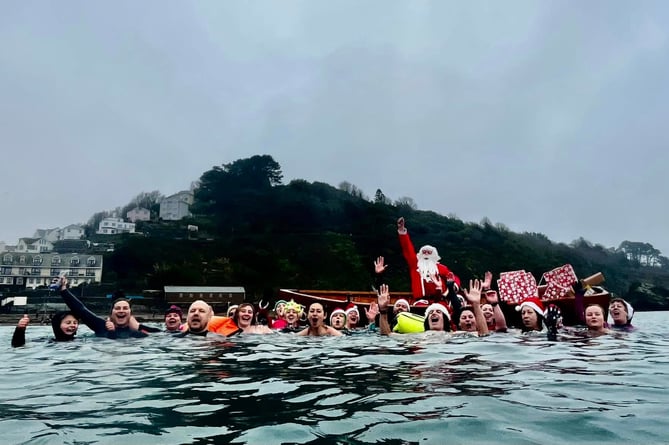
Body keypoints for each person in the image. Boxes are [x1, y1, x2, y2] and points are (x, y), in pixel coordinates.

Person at [58, 277, 150, 338]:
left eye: (125, 308)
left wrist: (139, 326)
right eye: (117, 308)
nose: (121, 311)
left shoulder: (139, 335)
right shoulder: (101, 326)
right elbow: (81, 310)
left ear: (130, 314)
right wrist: (63, 289)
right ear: (111, 313)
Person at [396, 217, 461, 302]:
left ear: (434, 255)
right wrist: (402, 232)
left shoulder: (441, 267)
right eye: (424, 252)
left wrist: (453, 285)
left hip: (441, 299)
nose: (426, 254)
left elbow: (453, 277)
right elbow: (407, 249)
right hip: (421, 301)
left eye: (429, 252)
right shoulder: (415, 265)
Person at [11, 311, 79, 347]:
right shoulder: (46, 342)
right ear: (57, 325)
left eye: (75, 323)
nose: (72, 325)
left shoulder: (81, 341)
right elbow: (18, 346)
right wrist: (20, 330)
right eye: (68, 323)